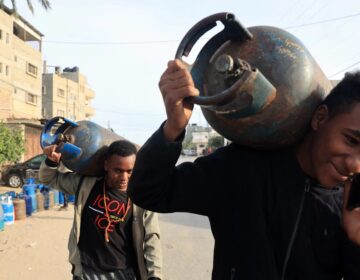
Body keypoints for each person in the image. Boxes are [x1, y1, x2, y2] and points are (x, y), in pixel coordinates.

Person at [128, 59, 360, 280]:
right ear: (320, 118)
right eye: (351, 140)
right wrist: (173, 128)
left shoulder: (349, 208)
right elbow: (148, 192)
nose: (356, 164)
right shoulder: (242, 168)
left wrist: (356, 244)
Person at [39, 140, 162, 280]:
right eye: (118, 171)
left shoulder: (142, 197)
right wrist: (51, 162)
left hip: (125, 273)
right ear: (106, 165)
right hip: (86, 271)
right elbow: (48, 179)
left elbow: (152, 237)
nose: (124, 178)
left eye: (130, 171)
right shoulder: (86, 184)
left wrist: (155, 275)